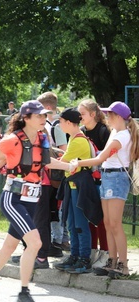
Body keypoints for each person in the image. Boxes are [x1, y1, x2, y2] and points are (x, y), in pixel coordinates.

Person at [0, 100, 68, 302]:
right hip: (13, 199)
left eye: (45, 115)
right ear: (26, 118)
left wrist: (71, 166)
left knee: (9, 247)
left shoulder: (41, 137)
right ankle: (24, 292)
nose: (43, 119)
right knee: (35, 242)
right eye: (39, 116)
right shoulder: (11, 140)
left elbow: (46, 162)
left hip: (31, 199)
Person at [72, 101, 138, 278]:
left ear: (118, 116)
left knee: (115, 224)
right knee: (108, 223)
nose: (107, 117)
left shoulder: (122, 136)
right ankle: (112, 261)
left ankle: (123, 265)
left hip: (116, 178)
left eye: (110, 114)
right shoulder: (116, 133)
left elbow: (101, 158)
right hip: (108, 177)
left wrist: (78, 162)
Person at [53, 108, 98, 274]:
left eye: (61, 121)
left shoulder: (78, 140)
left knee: (80, 223)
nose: (59, 124)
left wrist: (47, 159)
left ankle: (84, 258)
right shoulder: (73, 138)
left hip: (79, 186)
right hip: (72, 185)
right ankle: (75, 255)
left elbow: (62, 162)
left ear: (69, 123)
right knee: (72, 223)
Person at [78, 99, 111, 268]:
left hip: (102, 180)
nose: (80, 117)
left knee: (101, 219)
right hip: (86, 181)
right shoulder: (81, 132)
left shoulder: (104, 131)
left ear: (93, 114)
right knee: (89, 217)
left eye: (82, 114)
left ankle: (105, 253)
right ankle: (92, 251)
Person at [37, 92, 70, 254]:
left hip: (52, 175)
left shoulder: (55, 126)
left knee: (53, 210)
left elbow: (63, 152)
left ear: (47, 108)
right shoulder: (46, 127)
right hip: (47, 175)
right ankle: (53, 242)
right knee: (49, 211)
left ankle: (56, 242)